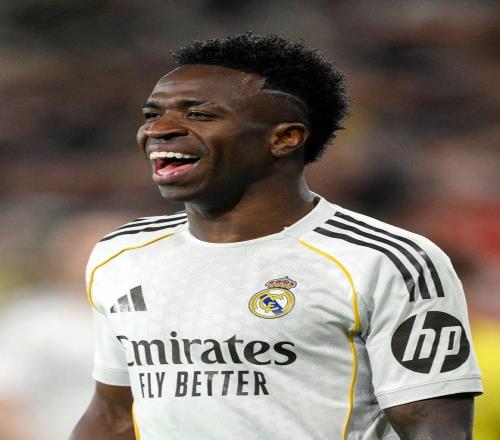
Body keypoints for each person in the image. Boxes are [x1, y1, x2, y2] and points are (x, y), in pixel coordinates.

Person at [70, 33, 482, 440]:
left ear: (284, 138)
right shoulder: (122, 254)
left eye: (199, 115)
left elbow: (433, 427)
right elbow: (114, 416)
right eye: (152, 115)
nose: (159, 129)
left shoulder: (386, 259)